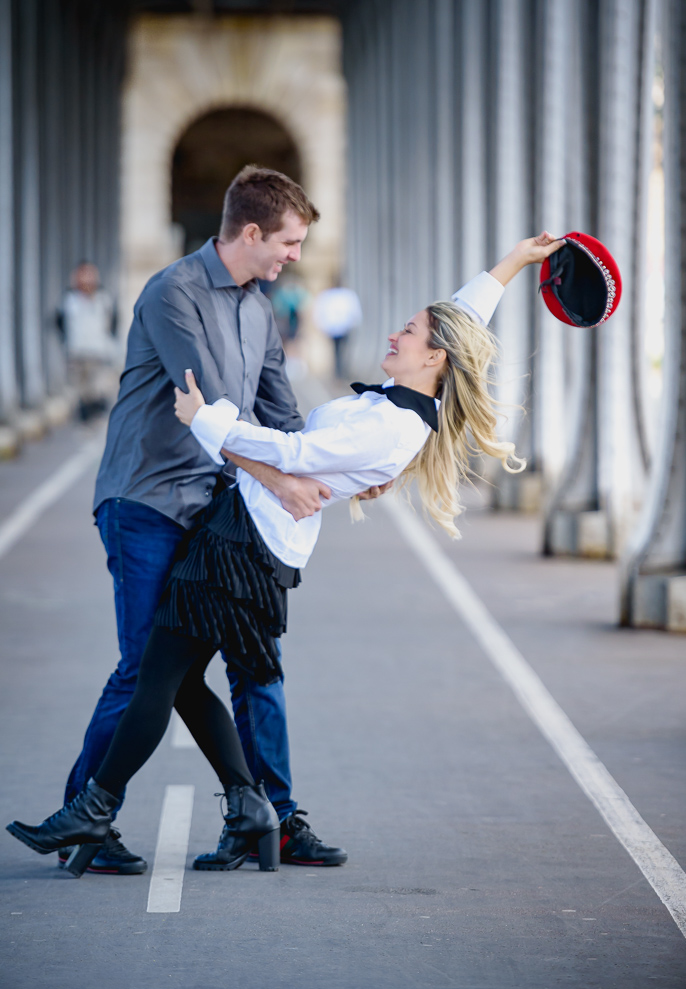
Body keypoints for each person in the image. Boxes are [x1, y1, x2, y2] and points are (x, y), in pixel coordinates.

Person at [7, 233, 566, 876]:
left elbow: (293, 457)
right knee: (181, 678)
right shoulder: (404, 406)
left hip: (240, 543)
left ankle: (98, 808)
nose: (394, 334)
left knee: (160, 674)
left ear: (434, 357)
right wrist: (517, 262)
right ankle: (247, 811)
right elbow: (465, 315)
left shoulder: (389, 424)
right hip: (254, 541)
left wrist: (202, 418)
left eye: (408, 332)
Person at [58, 166, 350, 876]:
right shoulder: (173, 293)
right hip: (148, 503)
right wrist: (281, 479)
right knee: (144, 670)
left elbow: (279, 412)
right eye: (289, 242)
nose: (294, 257)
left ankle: (273, 820)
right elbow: (211, 410)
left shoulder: (261, 307)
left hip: (222, 503)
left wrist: (339, 473)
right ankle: (84, 821)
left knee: (257, 662)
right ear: (251, 233)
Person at [58, 262, 118, 420]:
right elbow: (60, 323)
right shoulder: (69, 299)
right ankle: (85, 420)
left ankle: (96, 418)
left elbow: (113, 322)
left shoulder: (104, 299)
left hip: (98, 352)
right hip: (76, 351)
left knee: (97, 389)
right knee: (80, 390)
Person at [313, 281, 363, 378]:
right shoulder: (344, 295)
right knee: (338, 350)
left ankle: (340, 372)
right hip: (338, 327)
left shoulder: (331, 295)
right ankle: (339, 372)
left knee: (340, 350)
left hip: (342, 327)